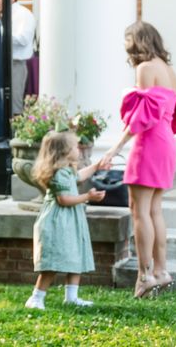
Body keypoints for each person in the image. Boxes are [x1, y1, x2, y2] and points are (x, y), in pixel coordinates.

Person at [88, 21, 176, 299]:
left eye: (127, 39)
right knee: (155, 208)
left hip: (150, 143)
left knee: (138, 209)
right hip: (167, 142)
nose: (125, 44)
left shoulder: (145, 69)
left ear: (138, 41)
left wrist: (113, 148)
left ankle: (144, 276)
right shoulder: (169, 70)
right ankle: (162, 270)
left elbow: (141, 118)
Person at [25, 130, 107, 311]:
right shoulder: (58, 173)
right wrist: (87, 196)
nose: (78, 149)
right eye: (75, 146)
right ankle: (36, 298)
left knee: (75, 255)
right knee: (53, 260)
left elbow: (80, 176)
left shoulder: (67, 170)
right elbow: (64, 199)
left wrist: (96, 166)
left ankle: (72, 297)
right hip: (57, 222)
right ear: (63, 152)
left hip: (70, 221)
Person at [0, 0, 39, 104]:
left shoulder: (23, 14)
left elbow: (24, 39)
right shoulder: (5, 16)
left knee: (14, 107)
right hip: (3, 65)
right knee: (3, 106)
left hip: (16, 64)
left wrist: (0, 36)